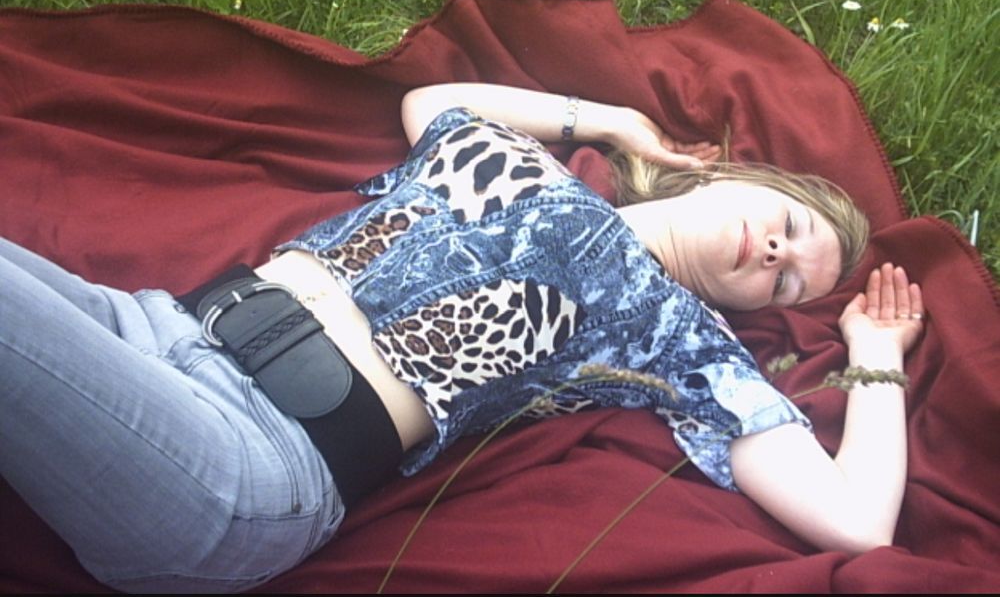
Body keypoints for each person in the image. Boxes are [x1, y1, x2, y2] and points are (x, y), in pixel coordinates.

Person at [0, 82, 924, 593]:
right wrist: (611, 123)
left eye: (787, 281)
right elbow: (431, 102)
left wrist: (875, 356)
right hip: (156, 327)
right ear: (734, 178)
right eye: (789, 226)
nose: (776, 256)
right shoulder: (513, 159)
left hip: (248, 460)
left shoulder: (677, 335)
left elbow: (855, 523)